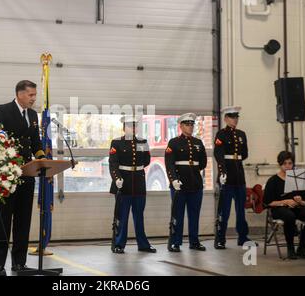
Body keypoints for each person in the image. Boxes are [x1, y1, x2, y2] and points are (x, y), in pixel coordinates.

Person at [0, 80, 46, 276]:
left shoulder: (32, 115)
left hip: (27, 174)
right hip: (7, 175)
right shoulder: (2, 111)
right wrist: (8, 163)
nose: (33, 99)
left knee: (23, 220)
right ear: (20, 94)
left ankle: (19, 263)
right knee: (4, 220)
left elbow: (35, 142)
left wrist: (42, 159)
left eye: (34, 95)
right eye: (31, 95)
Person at [109, 116, 156, 254]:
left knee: (139, 215)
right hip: (123, 183)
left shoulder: (143, 142)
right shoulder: (116, 143)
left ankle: (143, 244)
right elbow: (113, 163)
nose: (133, 128)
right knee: (122, 216)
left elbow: (146, 160)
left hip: (139, 182)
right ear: (124, 128)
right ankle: (119, 244)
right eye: (130, 126)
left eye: (135, 126)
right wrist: (117, 178)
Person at [165, 113, 207, 252]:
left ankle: (194, 242)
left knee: (194, 215)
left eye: (191, 124)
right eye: (187, 124)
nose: (190, 127)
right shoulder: (174, 142)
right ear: (181, 126)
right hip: (179, 185)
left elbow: (203, 163)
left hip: (195, 184)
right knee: (178, 214)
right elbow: (169, 163)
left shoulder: (198, 143)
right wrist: (174, 179)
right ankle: (175, 242)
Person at [263, 151, 305, 259]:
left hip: (296, 207)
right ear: (280, 164)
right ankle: (290, 248)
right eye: (285, 164)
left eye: (290, 163)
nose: (288, 166)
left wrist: (300, 200)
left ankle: (301, 248)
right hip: (279, 209)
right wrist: (285, 202)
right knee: (289, 216)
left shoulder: (298, 179)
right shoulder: (273, 180)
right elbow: (268, 202)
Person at [214, 106, 254, 249]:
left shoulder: (241, 134)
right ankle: (220, 239)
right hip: (227, 175)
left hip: (239, 175)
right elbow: (218, 155)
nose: (235, 120)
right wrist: (222, 172)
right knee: (224, 211)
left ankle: (243, 237)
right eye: (232, 117)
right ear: (225, 118)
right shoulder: (221, 134)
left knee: (240, 210)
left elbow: (245, 154)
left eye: (236, 117)